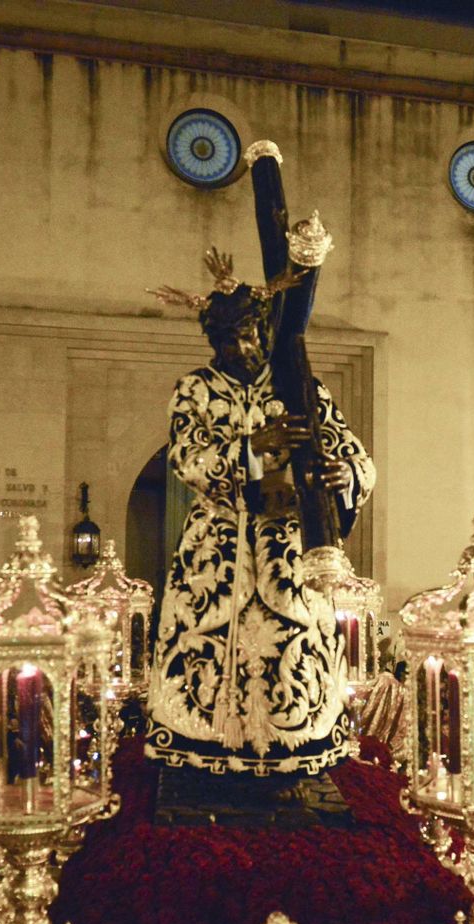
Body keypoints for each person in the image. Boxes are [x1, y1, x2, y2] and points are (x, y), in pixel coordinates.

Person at [145, 243, 375, 777]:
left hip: (286, 549)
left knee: (292, 646)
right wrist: (252, 447)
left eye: (247, 335)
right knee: (205, 646)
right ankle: (204, 751)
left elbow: (352, 451)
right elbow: (187, 458)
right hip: (217, 550)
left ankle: (293, 751)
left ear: (266, 331)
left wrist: (348, 476)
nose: (239, 348)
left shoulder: (299, 385)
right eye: (225, 340)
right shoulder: (196, 389)